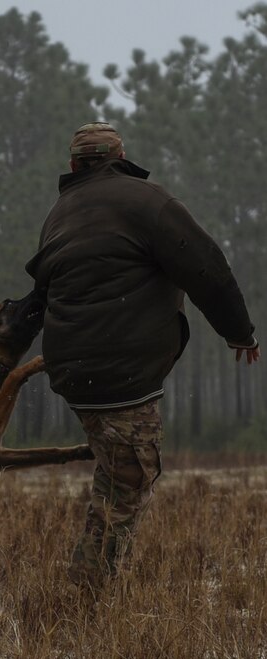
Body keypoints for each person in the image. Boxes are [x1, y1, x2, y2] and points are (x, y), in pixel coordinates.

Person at [25, 122, 260, 594]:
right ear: (121, 157)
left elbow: (43, 289)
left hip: (72, 370)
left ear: (73, 165)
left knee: (117, 471)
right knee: (129, 479)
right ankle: (85, 594)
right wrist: (238, 332)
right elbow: (206, 267)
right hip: (122, 373)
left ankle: (89, 587)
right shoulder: (148, 201)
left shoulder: (60, 212)